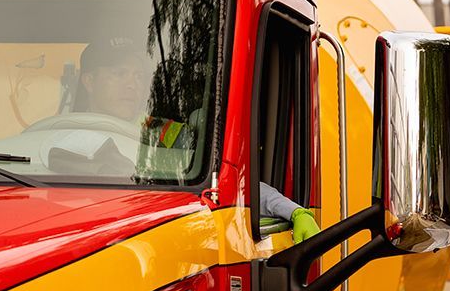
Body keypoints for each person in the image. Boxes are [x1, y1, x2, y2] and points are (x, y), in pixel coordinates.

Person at [77, 38, 320, 241]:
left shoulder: (169, 136)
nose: (132, 84)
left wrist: (294, 212)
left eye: (139, 76)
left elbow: (231, 185)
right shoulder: (53, 134)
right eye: (119, 74)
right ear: (89, 81)